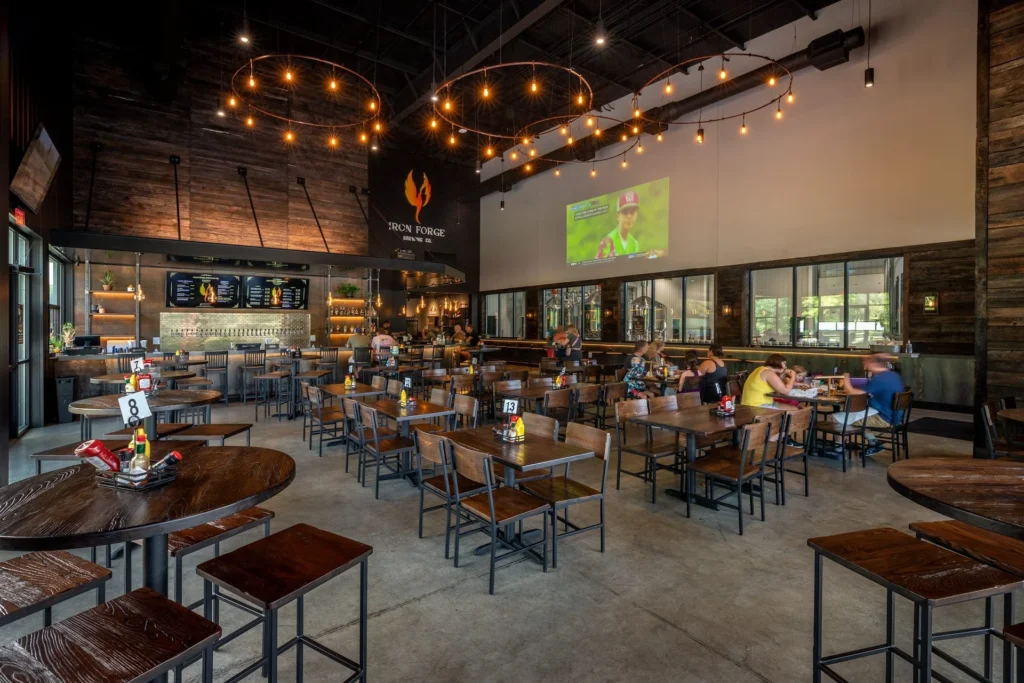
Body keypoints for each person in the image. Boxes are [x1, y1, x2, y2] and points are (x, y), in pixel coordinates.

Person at [831, 354, 905, 453]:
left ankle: (838, 449)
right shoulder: (893, 375)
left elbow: (852, 392)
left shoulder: (880, 379)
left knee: (836, 418)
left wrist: (846, 378)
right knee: (853, 415)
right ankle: (873, 441)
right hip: (894, 415)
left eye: (867, 362)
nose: (865, 364)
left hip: (884, 417)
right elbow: (870, 392)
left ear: (874, 364)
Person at [595, 191, 641, 259]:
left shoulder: (635, 244)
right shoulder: (607, 242)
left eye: (632, 212)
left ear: (637, 214)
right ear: (617, 216)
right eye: (625, 212)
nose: (629, 216)